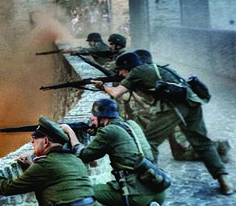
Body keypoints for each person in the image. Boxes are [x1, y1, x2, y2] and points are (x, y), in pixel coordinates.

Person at [97, 51, 234, 196]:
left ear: (126, 68)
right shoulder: (158, 69)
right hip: (192, 102)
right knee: (202, 142)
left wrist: (102, 86)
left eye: (120, 70)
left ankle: (151, 183)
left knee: (149, 142)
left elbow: (115, 93)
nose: (120, 73)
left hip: (175, 107)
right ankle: (224, 181)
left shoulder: (137, 72)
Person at [61, 98, 168, 206]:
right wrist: (98, 129)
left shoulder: (109, 132)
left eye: (93, 115)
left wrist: (70, 132)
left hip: (137, 194)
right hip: (157, 188)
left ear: (102, 117)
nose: (91, 118)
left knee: (84, 193)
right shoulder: (130, 125)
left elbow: (84, 155)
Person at [122, 50, 230, 164]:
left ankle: (217, 147)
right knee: (179, 147)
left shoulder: (150, 76)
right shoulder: (153, 74)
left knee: (182, 150)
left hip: (173, 111)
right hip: (169, 111)